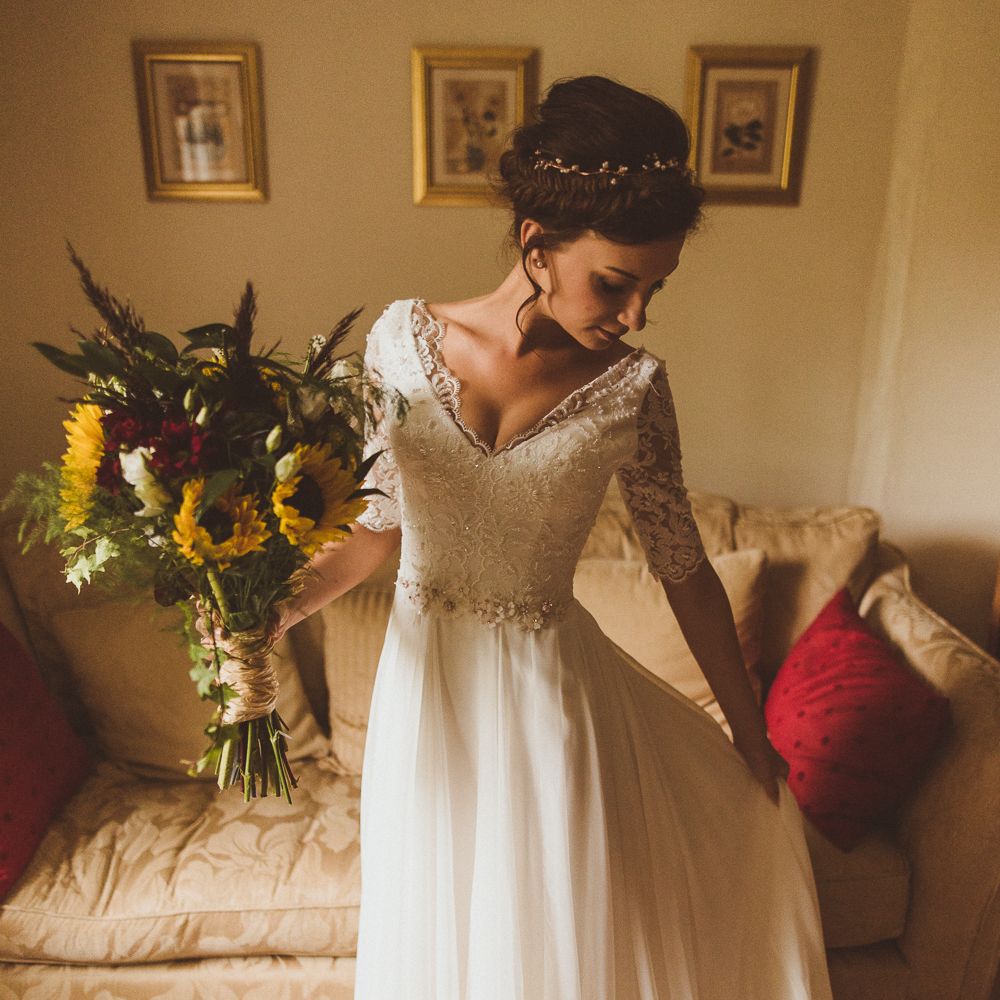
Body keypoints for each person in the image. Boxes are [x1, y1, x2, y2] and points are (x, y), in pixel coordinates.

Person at [279, 75, 833, 999]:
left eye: (655, 288)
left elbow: (683, 566)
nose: (636, 316)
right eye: (615, 284)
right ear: (537, 244)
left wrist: (749, 731)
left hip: (554, 708)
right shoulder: (397, 344)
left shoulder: (635, 388)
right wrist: (272, 610)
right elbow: (375, 529)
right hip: (425, 703)